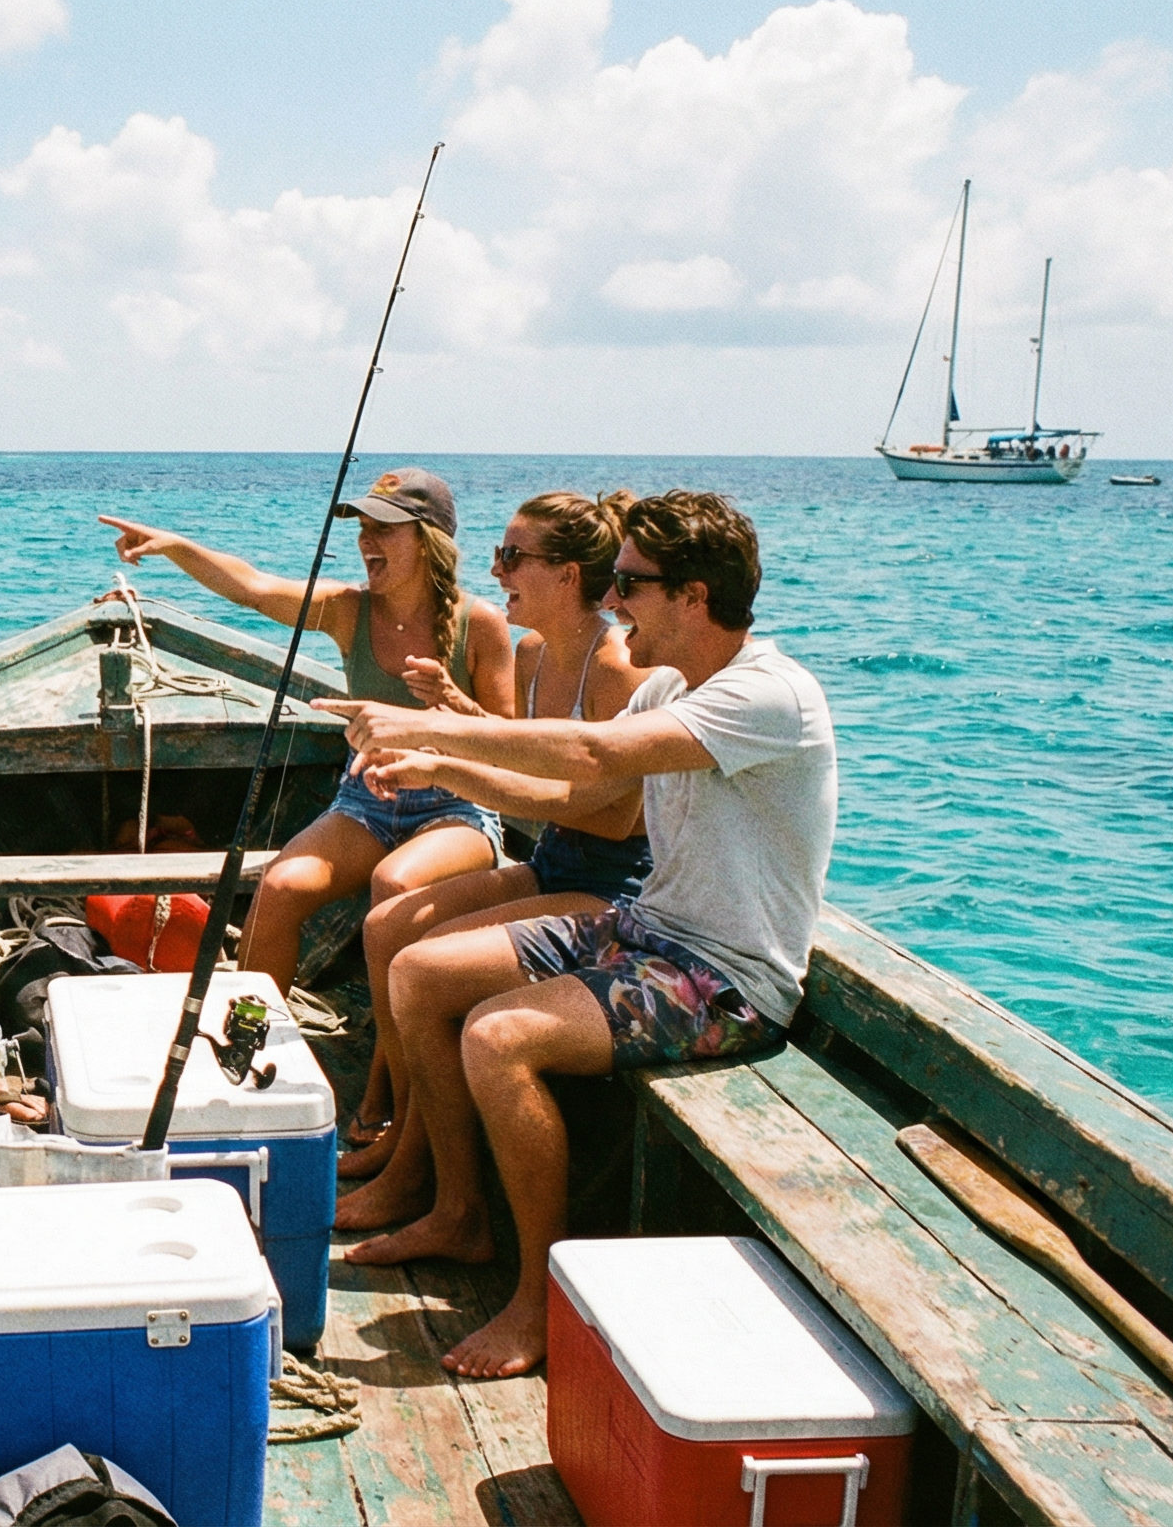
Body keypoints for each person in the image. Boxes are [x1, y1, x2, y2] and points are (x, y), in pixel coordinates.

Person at [315, 490, 836, 1378]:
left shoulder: (768, 696)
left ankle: (537, 1304)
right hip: (646, 929)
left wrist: (428, 722)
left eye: (630, 581)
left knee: (498, 1037)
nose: (615, 595)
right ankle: (457, 1212)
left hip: (725, 979)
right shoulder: (675, 685)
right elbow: (573, 798)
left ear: (694, 597)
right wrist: (446, 763)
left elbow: (592, 757)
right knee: (419, 974)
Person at [332, 491, 653, 1197]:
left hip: (612, 886)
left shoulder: (617, 667)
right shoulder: (534, 651)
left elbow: (607, 816)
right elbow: (524, 752)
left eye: (513, 557)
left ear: (569, 576)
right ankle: (406, 1150)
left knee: (421, 969)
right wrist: (453, 712)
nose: (495, 568)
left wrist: (440, 755)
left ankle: (433, 1183)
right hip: (552, 864)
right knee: (386, 925)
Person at [97, 468, 513, 995]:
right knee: (277, 888)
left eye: (384, 528)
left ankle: (393, 1062)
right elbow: (253, 587)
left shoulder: (483, 624)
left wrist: (451, 703)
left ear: (428, 542)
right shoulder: (347, 610)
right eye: (362, 527)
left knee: (396, 882)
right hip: (369, 802)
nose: (366, 540)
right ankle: (250, 1040)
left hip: (456, 809)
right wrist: (177, 547)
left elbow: (509, 742)